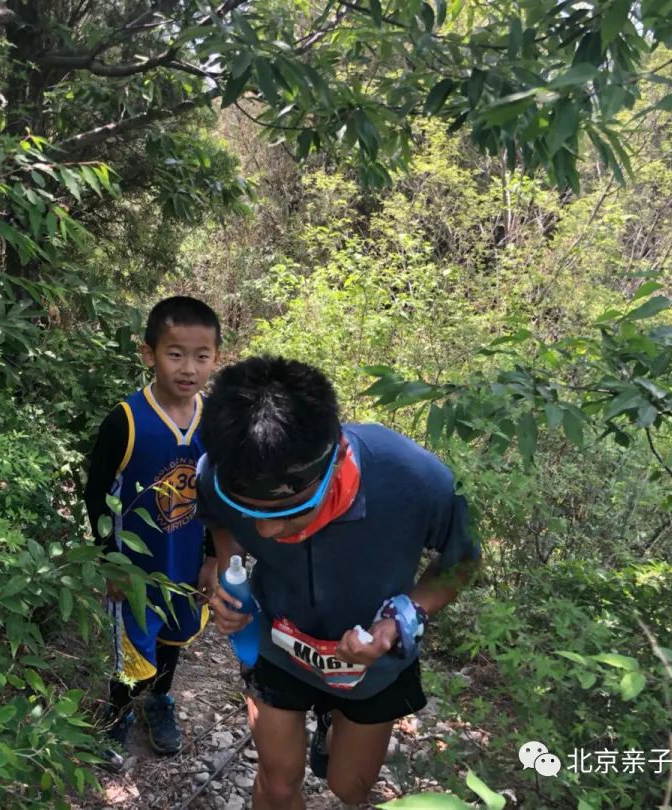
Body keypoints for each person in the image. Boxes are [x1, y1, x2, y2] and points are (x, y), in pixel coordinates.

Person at [197, 356, 481, 809]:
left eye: (288, 513)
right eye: (252, 512)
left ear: (334, 463)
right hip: (278, 644)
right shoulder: (216, 472)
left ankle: (332, 725)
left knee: (349, 787)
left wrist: (400, 618)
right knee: (278, 778)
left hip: (372, 666)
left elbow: (462, 560)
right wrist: (229, 570)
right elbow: (220, 522)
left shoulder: (414, 480)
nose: (267, 533)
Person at [83, 296, 222, 768]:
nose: (188, 368)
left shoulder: (215, 422)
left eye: (201, 356)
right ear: (149, 354)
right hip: (136, 569)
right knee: (131, 646)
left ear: (216, 359)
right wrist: (109, 560)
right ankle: (118, 713)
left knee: (174, 635)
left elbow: (217, 497)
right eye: (175, 353)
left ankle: (159, 699)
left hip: (185, 562)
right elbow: (97, 494)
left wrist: (211, 558)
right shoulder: (126, 420)